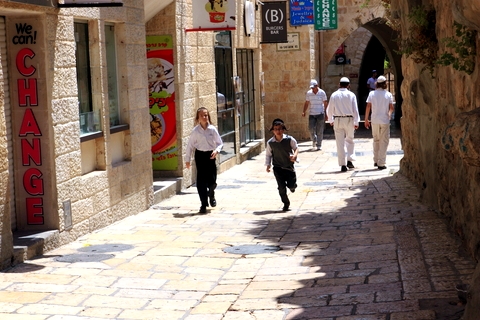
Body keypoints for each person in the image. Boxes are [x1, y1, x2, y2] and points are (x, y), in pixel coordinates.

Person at [185, 107, 224, 214]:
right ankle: (203, 204)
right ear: (198, 118)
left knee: (212, 181)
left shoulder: (212, 129)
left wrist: (216, 151)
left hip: (210, 156)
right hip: (200, 156)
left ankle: (211, 194)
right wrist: (187, 160)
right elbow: (190, 146)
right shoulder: (195, 131)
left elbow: (220, 143)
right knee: (201, 181)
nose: (204, 117)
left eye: (206, 115)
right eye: (202, 115)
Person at [326, 77, 360, 172]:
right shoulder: (351, 95)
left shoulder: (334, 95)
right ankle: (349, 160)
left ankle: (343, 164)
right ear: (348, 85)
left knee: (339, 143)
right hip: (349, 119)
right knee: (350, 140)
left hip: (338, 120)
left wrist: (330, 120)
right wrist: (356, 122)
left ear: (339, 84)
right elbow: (355, 109)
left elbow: (329, 109)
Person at [265, 118, 298, 211]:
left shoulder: (289, 139)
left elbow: (296, 148)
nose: (278, 131)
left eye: (280, 129)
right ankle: (286, 203)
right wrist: (268, 165)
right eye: (276, 129)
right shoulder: (270, 143)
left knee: (291, 185)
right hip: (278, 168)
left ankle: (292, 187)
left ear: (283, 129)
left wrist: (294, 156)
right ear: (273, 130)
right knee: (281, 187)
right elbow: (268, 154)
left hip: (289, 167)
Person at [364, 75, 394, 170]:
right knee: (384, 141)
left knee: (376, 139)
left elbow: (368, 106)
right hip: (384, 120)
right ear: (385, 84)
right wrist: (389, 114)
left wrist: (366, 119)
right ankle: (381, 162)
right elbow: (391, 108)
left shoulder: (372, 94)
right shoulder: (388, 94)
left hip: (375, 119)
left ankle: (376, 160)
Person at [302, 79, 328, 150]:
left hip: (320, 113)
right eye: (311, 88)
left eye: (314, 87)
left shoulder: (322, 93)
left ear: (317, 86)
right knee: (310, 129)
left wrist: (326, 113)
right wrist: (304, 111)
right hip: (312, 113)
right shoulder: (309, 93)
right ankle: (314, 139)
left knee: (319, 129)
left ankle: (319, 144)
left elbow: (325, 103)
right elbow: (307, 103)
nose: (312, 89)